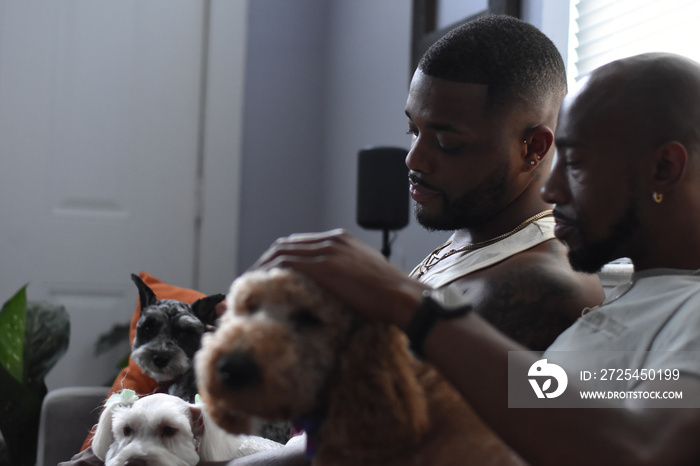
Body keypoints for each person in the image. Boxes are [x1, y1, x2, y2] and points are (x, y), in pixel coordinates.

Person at [258, 52, 700, 465]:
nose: (550, 190)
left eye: (577, 163)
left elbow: (646, 446)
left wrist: (413, 303)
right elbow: (540, 398)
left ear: (663, 169)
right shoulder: (629, 288)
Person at [205, 14, 603, 466]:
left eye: (447, 143)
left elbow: (369, 437)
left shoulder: (535, 286)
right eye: (413, 129)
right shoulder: (469, 246)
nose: (414, 159)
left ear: (532, 148)